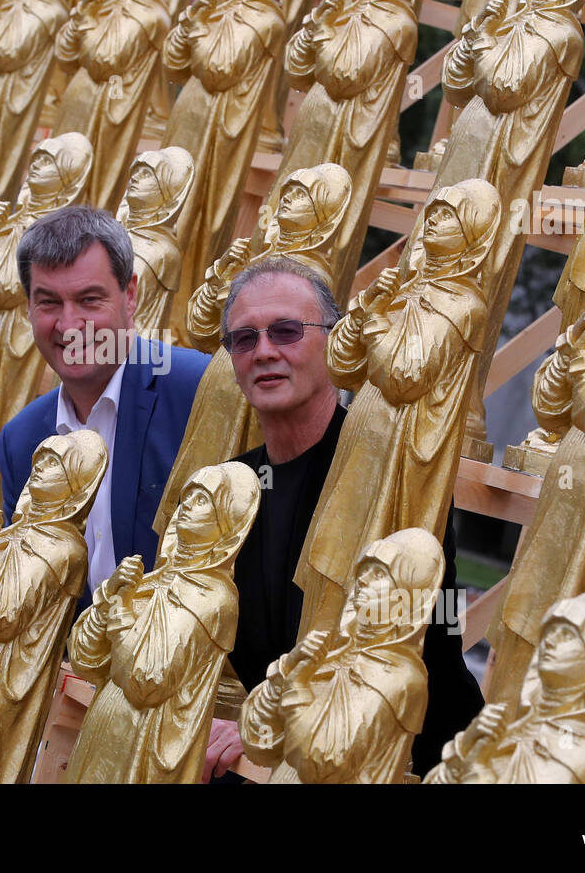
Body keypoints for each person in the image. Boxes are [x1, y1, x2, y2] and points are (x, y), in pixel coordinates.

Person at [200, 257, 483, 781]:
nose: (264, 351)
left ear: (333, 340)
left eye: (286, 331)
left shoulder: (391, 481)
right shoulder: (231, 486)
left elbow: (426, 644)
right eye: (244, 339)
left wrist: (266, 725)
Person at [0, 206, 210, 608]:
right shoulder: (20, 439)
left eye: (88, 299)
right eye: (49, 303)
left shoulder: (198, 391)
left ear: (129, 295)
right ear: (28, 306)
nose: (70, 324)